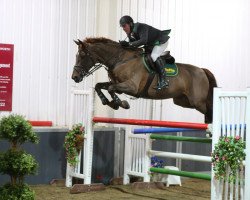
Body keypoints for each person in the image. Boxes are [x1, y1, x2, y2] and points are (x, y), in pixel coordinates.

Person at [119, 15, 171, 90]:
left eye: (124, 26)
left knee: (154, 56)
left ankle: (164, 81)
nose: (123, 29)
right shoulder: (130, 32)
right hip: (151, 44)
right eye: (122, 27)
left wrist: (129, 44)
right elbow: (133, 45)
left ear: (130, 24)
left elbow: (143, 40)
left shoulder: (141, 27)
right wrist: (125, 45)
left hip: (161, 41)